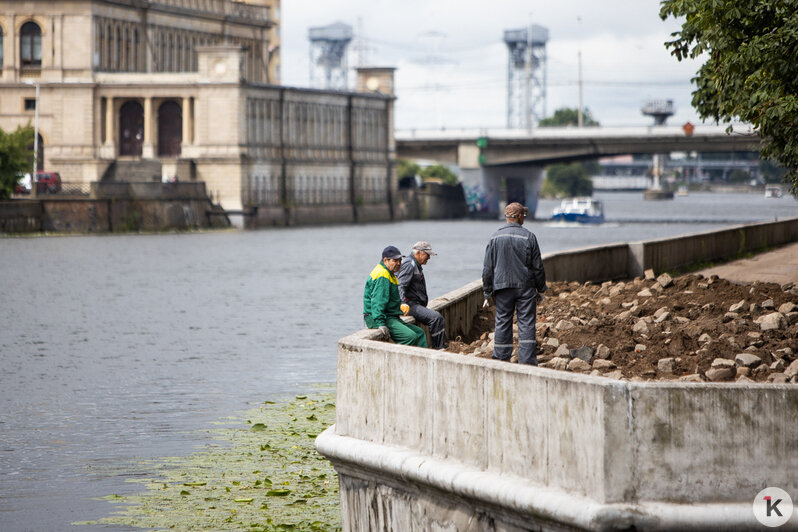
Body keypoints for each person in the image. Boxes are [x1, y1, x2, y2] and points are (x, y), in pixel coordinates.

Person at [482, 202, 546, 365]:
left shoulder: (494, 237)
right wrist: (541, 288)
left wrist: (487, 292)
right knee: (526, 323)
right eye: (523, 215)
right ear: (518, 216)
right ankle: (527, 362)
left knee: (502, 321)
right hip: (525, 287)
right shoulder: (529, 237)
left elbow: (488, 268)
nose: (523, 218)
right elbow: (537, 266)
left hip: (502, 287)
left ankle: (501, 360)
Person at [363, 246, 428, 347]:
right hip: (379, 318)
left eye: (400, 260)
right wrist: (381, 324)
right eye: (395, 260)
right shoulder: (382, 275)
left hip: (391, 316)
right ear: (385, 260)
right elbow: (378, 302)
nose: (399, 263)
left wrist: (400, 306)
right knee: (410, 337)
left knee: (420, 333)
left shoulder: (390, 273)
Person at [397, 241, 447, 349]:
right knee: (436, 318)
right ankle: (439, 348)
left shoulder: (416, 265)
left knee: (436, 317)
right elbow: (400, 285)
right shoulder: (409, 265)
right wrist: (402, 303)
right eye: (427, 255)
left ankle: (439, 347)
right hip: (410, 305)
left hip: (416, 304)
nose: (429, 258)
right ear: (419, 253)